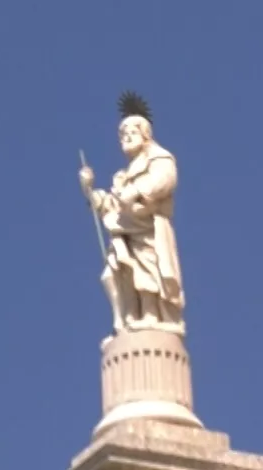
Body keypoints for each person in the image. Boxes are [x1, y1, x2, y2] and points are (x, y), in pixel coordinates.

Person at [80, 94, 185, 337]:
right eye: (121, 134)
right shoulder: (122, 176)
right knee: (116, 274)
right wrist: (88, 188)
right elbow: (111, 205)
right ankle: (127, 318)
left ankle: (150, 315)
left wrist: (136, 191)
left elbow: (164, 181)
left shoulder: (159, 158)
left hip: (148, 229)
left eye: (131, 132)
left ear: (145, 134)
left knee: (148, 270)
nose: (125, 137)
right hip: (126, 232)